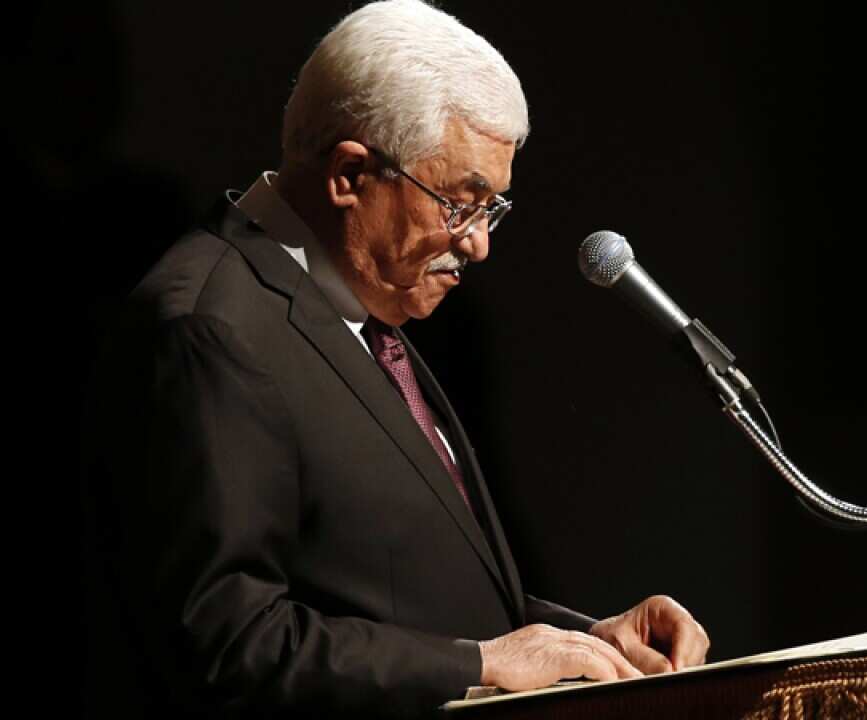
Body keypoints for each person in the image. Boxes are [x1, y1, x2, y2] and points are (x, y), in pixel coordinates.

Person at [82, 1, 709, 717]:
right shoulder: (212, 330)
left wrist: (586, 641)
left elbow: (395, 589)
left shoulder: (360, 304)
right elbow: (229, 644)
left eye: (492, 208)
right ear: (350, 175)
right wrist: (481, 664)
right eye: (462, 203)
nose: (478, 244)